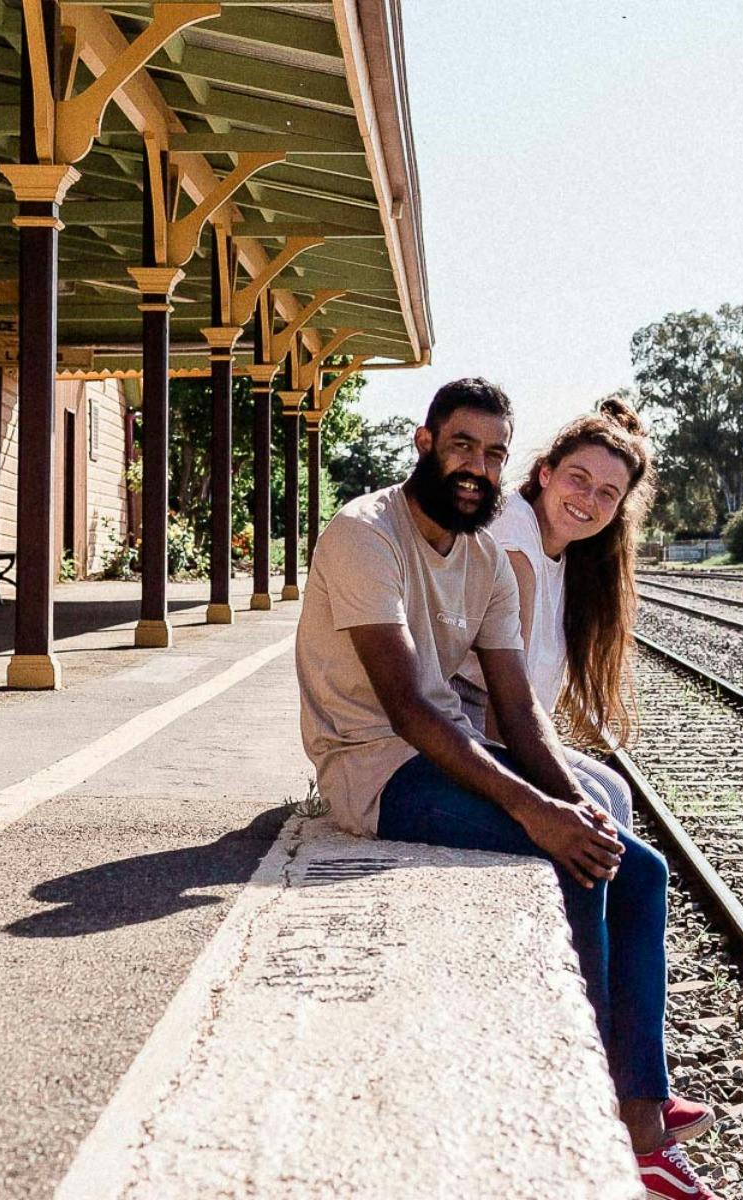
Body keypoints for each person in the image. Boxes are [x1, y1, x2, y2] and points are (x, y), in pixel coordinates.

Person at [295, 379, 718, 1199]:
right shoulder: (363, 534)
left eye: (492, 454)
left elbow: (520, 713)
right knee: (571, 856)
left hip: (439, 754)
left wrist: (573, 801)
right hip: (372, 768)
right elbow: (412, 708)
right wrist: (540, 814)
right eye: (462, 446)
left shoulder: (485, 552)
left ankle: (643, 1122)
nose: (477, 467)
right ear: (425, 443)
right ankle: (590, 1103)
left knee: (640, 867)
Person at [452, 397, 658, 831]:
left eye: (607, 493)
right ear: (546, 473)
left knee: (614, 793)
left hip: (511, 724)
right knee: (598, 812)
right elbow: (505, 697)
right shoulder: (515, 534)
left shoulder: (572, 559)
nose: (588, 499)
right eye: (578, 479)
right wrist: (530, 802)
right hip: (466, 718)